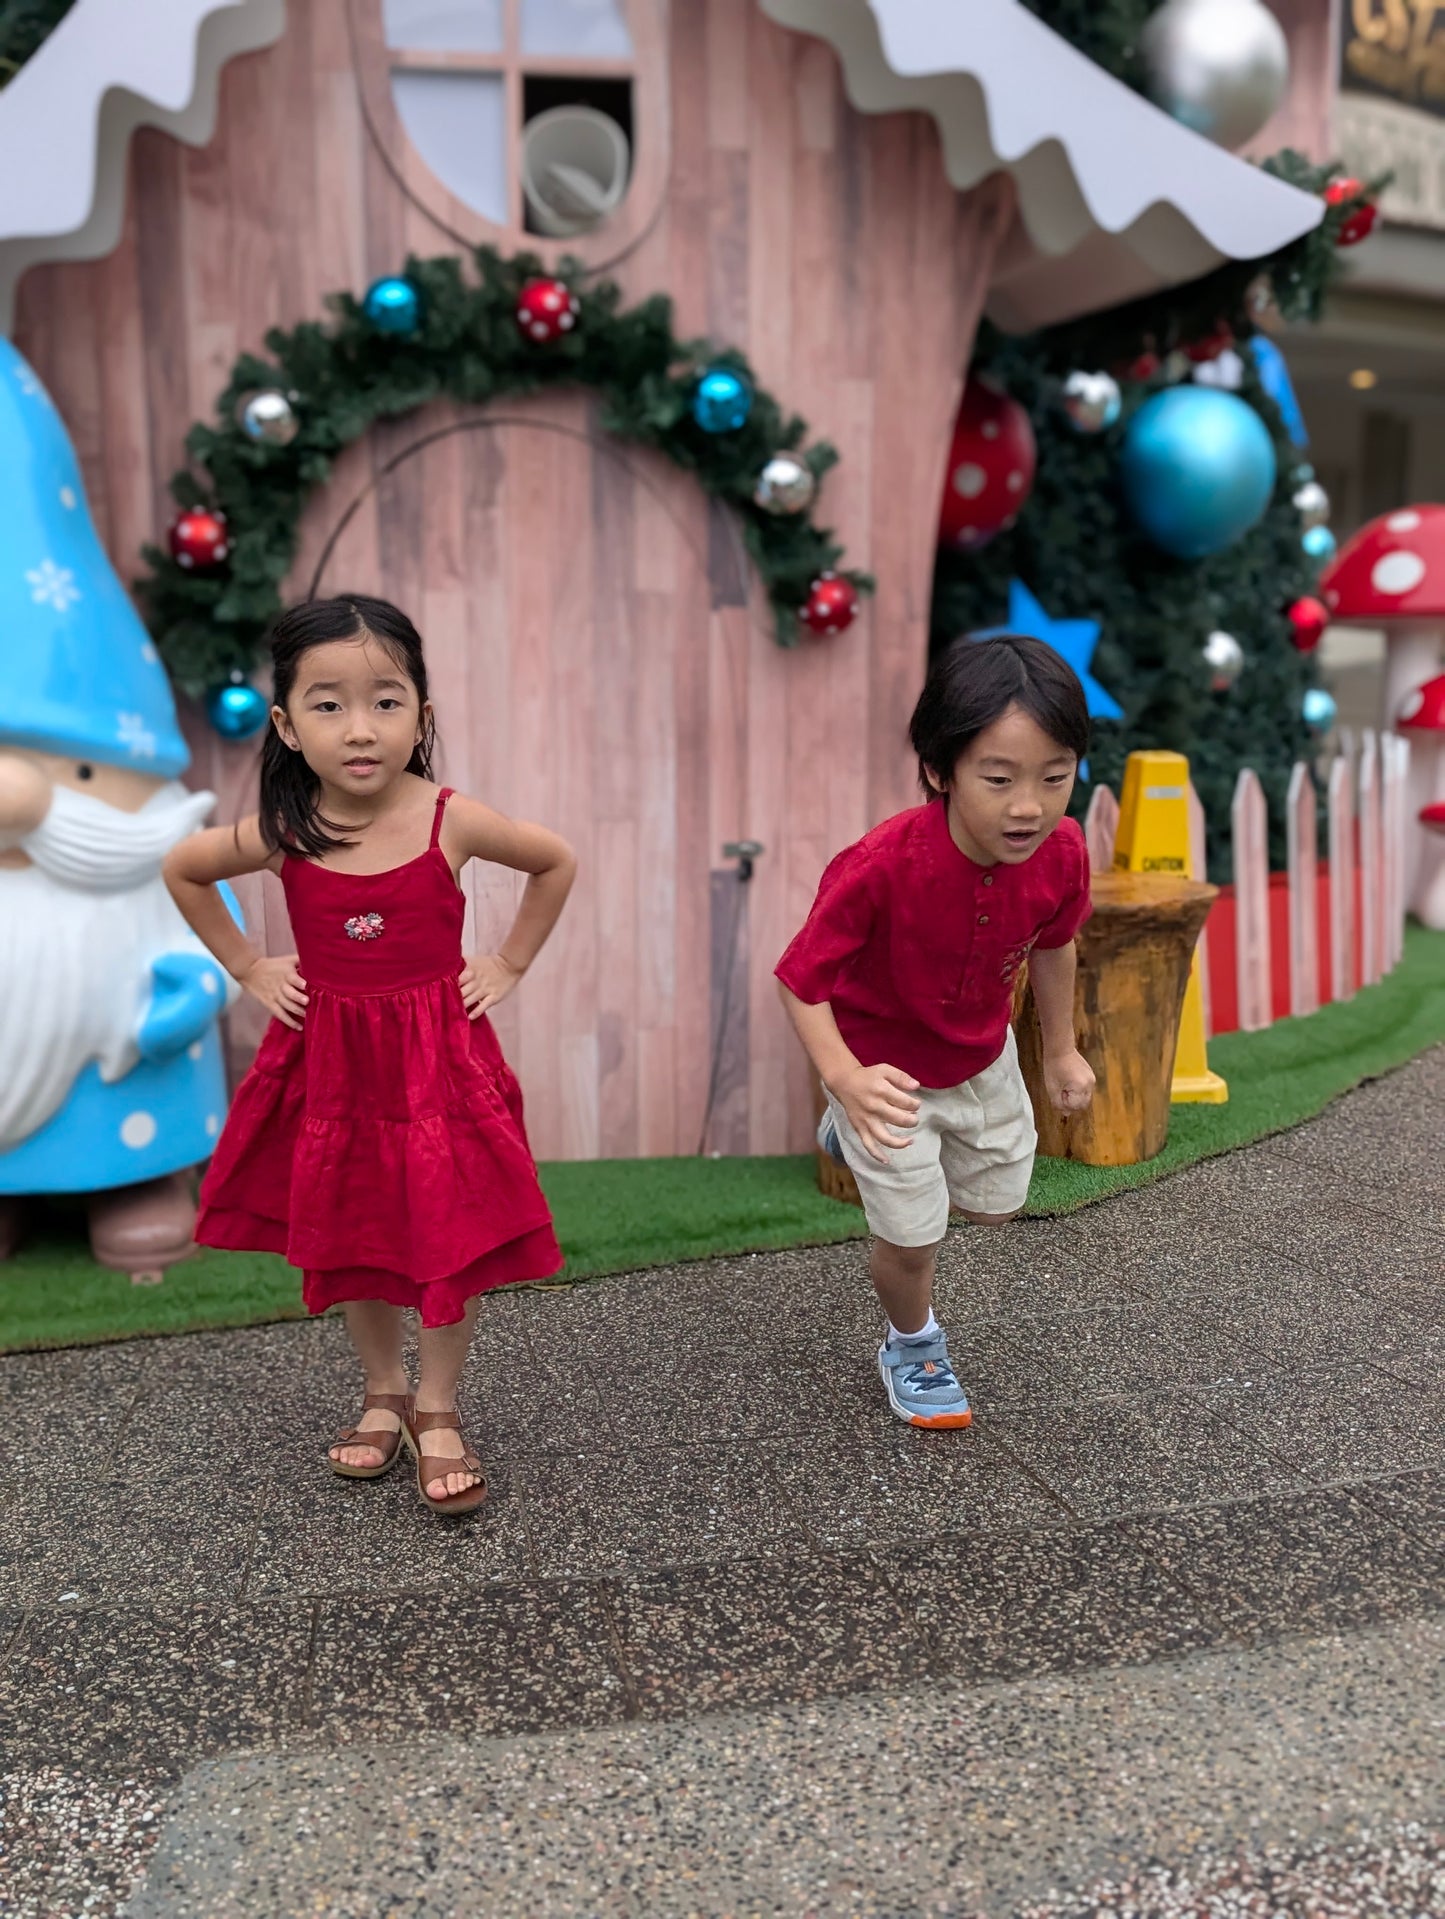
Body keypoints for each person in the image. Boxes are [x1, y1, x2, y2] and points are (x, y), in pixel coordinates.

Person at [164, 595, 574, 1515]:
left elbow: (553, 861)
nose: (360, 729)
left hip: (438, 1070)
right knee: (356, 1227)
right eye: (328, 704)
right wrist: (248, 966)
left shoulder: (450, 820)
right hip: (334, 1073)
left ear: (422, 718)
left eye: (386, 702)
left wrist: (507, 961)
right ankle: (382, 1389)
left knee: (444, 1230)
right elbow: (184, 868)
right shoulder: (287, 829)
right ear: (286, 724)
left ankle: (437, 1403)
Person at [776, 633, 1096, 1429]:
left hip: (980, 1061)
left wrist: (1059, 1046)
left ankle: (849, 1137)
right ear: (938, 769)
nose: (1028, 804)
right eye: (998, 779)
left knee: (994, 1207)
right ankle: (911, 1343)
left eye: (1054, 777)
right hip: (883, 1076)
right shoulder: (880, 864)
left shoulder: (1061, 852)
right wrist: (846, 1079)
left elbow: (1056, 944)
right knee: (913, 1237)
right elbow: (798, 981)